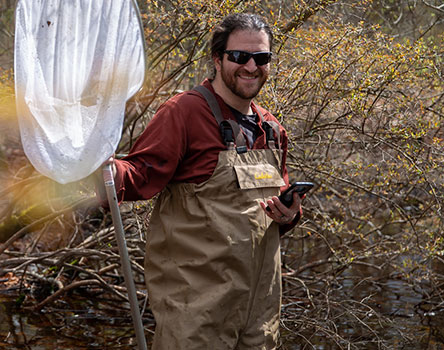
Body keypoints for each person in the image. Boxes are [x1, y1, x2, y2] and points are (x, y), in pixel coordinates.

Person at [108, 13, 303, 349]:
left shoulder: (272, 130)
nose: (251, 67)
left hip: (259, 314)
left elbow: (273, 205)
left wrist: (290, 215)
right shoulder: (183, 112)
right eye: (240, 57)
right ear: (218, 59)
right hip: (195, 313)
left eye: (262, 58)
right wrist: (104, 170)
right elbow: (138, 176)